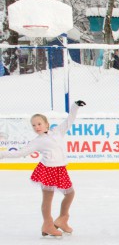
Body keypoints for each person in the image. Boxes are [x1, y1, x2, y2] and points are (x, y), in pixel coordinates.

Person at [0, 100, 86, 237]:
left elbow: (70, 120)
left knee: (70, 193)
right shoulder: (37, 142)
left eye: (39, 124)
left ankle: (63, 219)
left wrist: (75, 106)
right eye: (34, 125)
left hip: (61, 169)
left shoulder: (58, 131)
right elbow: (20, 153)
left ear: (47, 124)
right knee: (47, 199)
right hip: (47, 170)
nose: (36, 127)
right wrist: (2, 154)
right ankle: (47, 224)